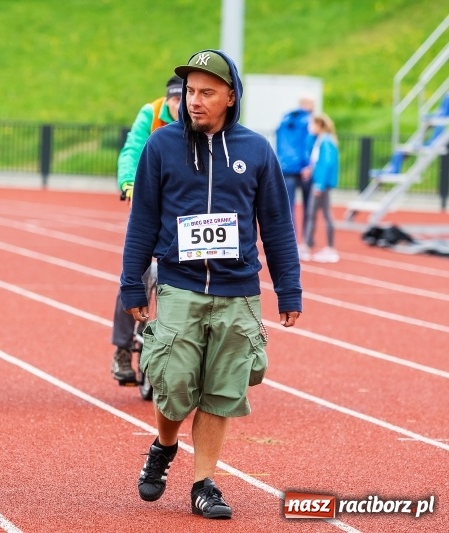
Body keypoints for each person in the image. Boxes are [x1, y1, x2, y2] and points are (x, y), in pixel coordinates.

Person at [120, 49, 302, 520]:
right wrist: (131, 284)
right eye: (189, 92)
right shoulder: (161, 146)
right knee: (172, 384)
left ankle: (204, 483)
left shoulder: (256, 150)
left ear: (230, 97)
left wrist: (289, 288)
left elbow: (277, 224)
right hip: (179, 285)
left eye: (206, 92)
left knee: (222, 391)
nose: (193, 101)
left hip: (238, 291)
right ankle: (165, 445)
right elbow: (142, 220)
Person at [111, 75, 182, 384]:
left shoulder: (203, 118)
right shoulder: (151, 114)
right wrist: (129, 183)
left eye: (184, 99)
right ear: (168, 100)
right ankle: (122, 349)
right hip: (150, 198)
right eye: (176, 100)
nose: (181, 106)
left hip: (183, 204)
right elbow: (131, 150)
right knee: (135, 274)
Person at [275, 93, 315, 243]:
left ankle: (291, 240)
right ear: (308, 104)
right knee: (308, 206)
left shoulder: (285, 119)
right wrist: (307, 165)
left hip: (286, 167)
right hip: (303, 169)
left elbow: (280, 143)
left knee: (288, 207)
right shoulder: (308, 120)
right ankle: (307, 240)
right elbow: (307, 144)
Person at [301, 113, 340, 262]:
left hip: (321, 184)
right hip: (320, 182)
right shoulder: (321, 140)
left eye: (312, 124)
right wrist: (310, 170)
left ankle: (322, 247)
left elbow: (326, 163)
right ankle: (310, 245)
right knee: (316, 213)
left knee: (317, 214)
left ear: (319, 125)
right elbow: (317, 161)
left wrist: (320, 184)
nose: (309, 127)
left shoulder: (326, 141)